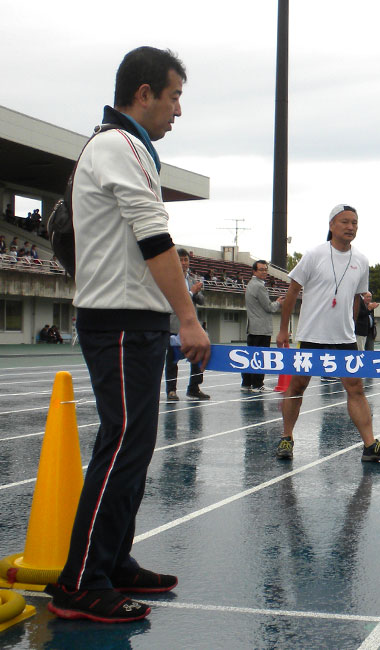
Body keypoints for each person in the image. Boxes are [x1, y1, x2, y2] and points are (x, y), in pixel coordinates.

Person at [45, 46, 210, 623]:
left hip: (133, 319)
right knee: (121, 447)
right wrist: (188, 319)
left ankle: (111, 561)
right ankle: (81, 580)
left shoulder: (128, 148)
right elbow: (152, 236)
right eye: (174, 97)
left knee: (134, 449)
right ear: (144, 95)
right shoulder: (118, 145)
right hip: (117, 321)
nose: (178, 111)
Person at [274, 204, 380, 463]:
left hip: (344, 338)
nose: (351, 227)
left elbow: (356, 299)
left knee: (356, 389)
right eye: (345, 222)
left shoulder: (361, 260)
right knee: (298, 385)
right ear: (331, 225)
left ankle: (370, 445)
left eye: (354, 222)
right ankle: (286, 437)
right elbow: (292, 292)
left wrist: (351, 327)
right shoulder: (314, 255)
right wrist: (283, 330)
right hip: (311, 334)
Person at [165, 249, 209, 401]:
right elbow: (174, 300)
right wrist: (190, 292)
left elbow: (202, 301)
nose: (184, 263)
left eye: (186, 260)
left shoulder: (191, 279)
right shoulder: (169, 279)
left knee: (196, 358)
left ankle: (194, 388)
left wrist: (197, 292)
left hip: (191, 326)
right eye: (181, 260)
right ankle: (171, 390)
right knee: (172, 360)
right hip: (174, 325)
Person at [242, 259, 283, 392]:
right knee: (260, 357)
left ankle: (246, 383)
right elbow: (269, 307)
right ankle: (258, 384)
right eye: (261, 269)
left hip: (253, 327)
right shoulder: (259, 286)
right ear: (254, 271)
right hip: (261, 329)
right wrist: (278, 303)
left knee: (251, 357)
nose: (264, 272)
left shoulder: (250, 284)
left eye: (266, 269)